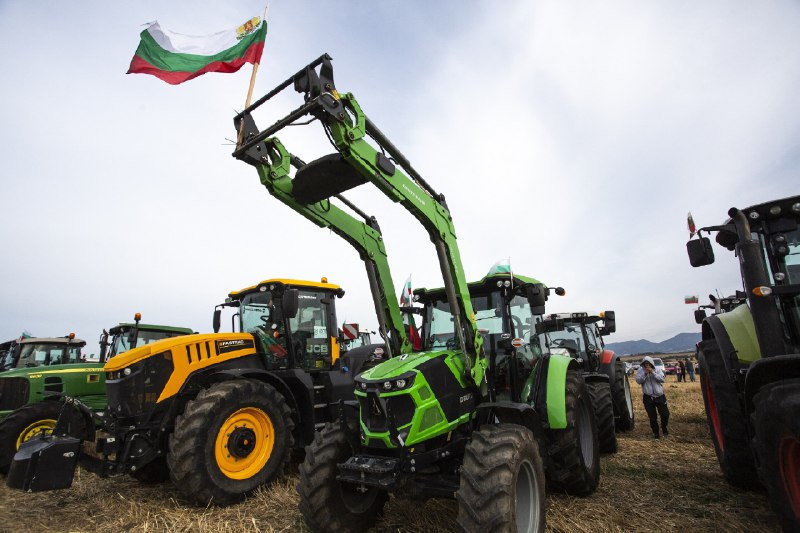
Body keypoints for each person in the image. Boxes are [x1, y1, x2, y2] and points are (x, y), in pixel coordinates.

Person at [635, 355, 670, 438]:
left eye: (648, 363)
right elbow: (638, 381)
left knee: (665, 414)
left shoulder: (657, 370)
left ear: (651, 364)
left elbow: (662, 379)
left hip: (660, 396)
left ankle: (664, 428)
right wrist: (645, 374)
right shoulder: (640, 371)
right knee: (652, 417)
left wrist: (653, 373)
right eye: (645, 364)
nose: (646, 365)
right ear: (643, 364)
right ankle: (656, 433)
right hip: (648, 397)